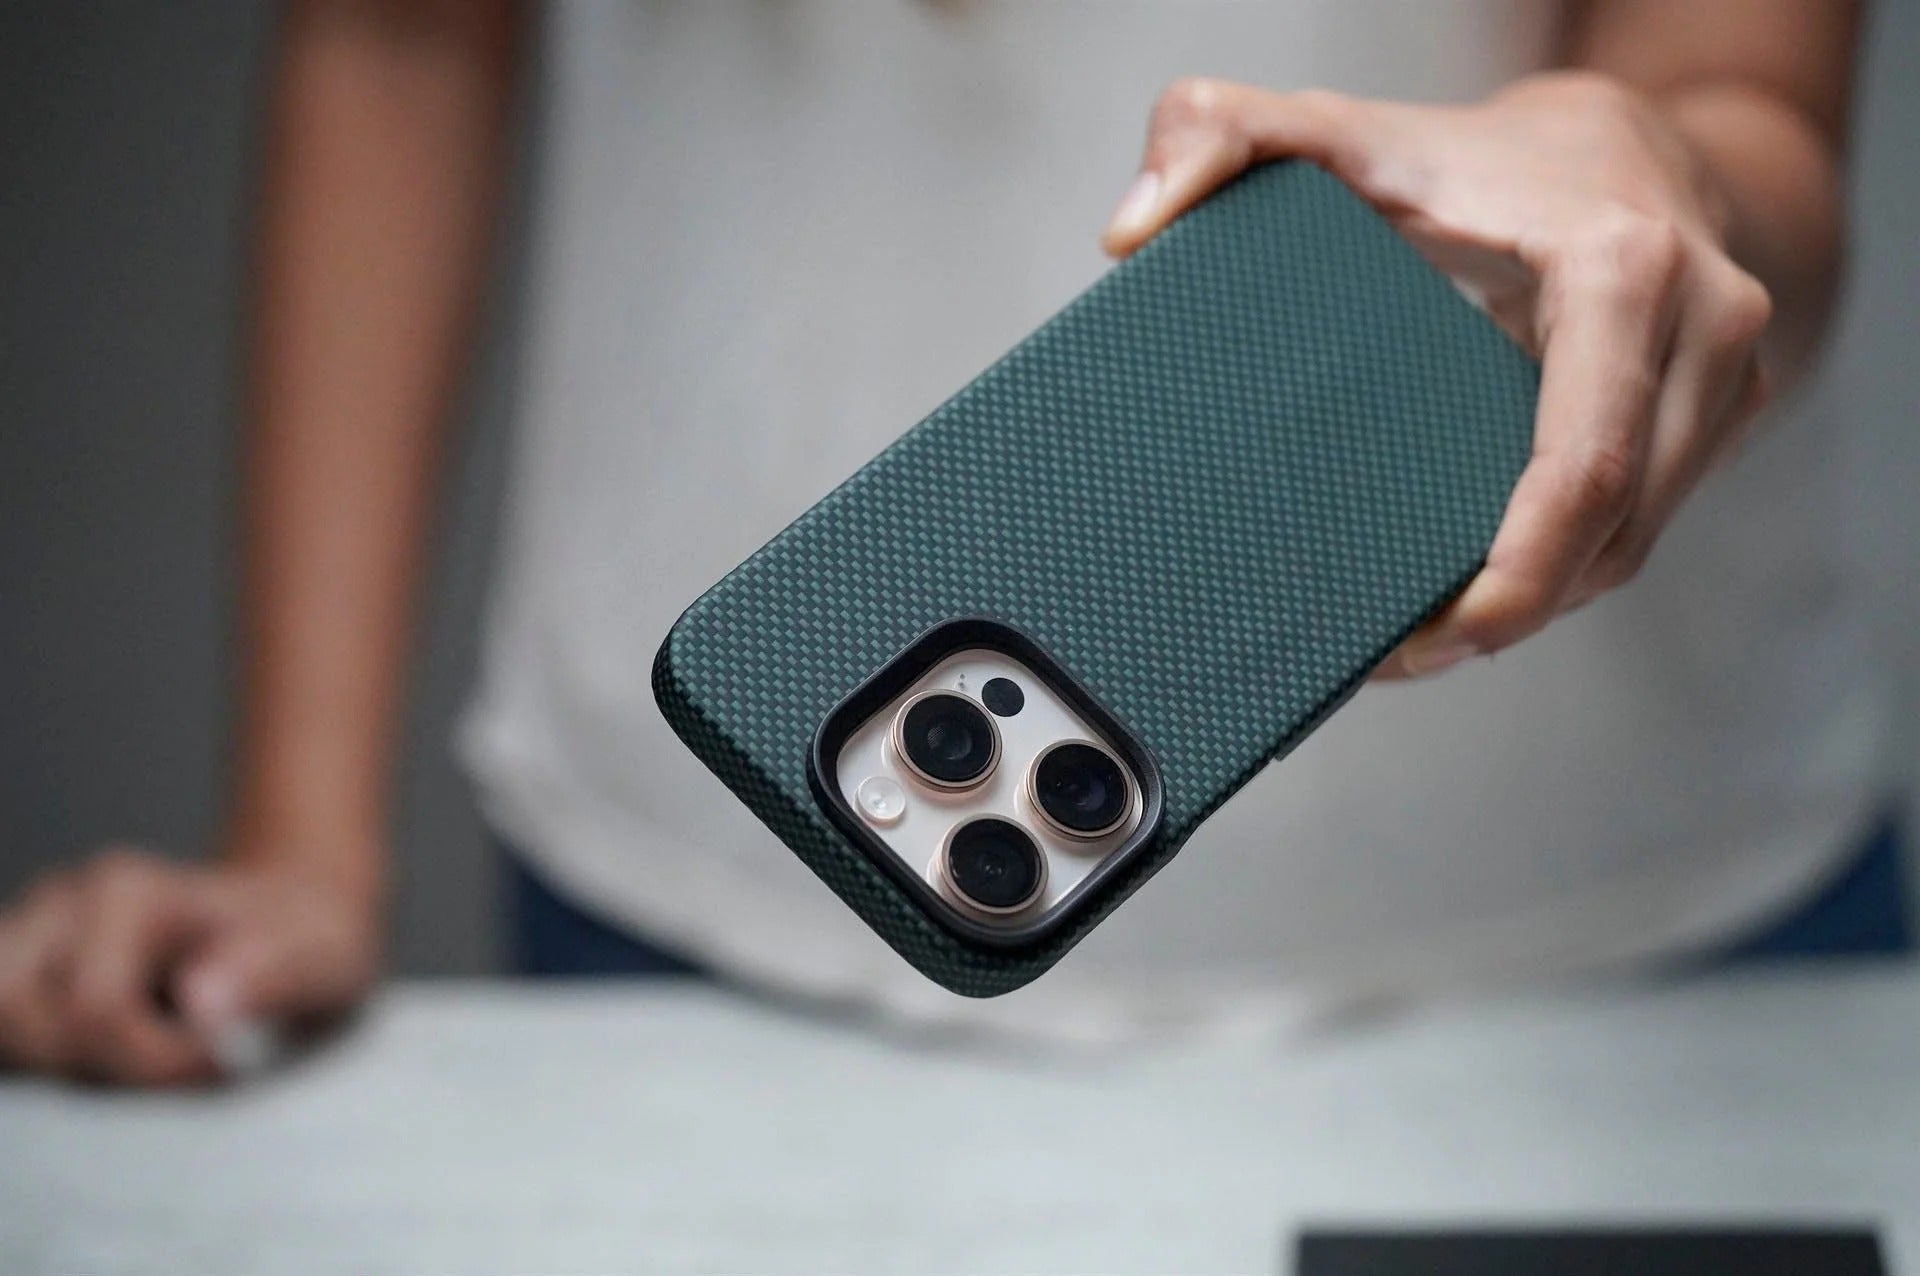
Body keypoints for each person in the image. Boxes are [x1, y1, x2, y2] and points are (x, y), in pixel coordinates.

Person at [0, 0, 1898, 1082]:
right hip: (727, 872)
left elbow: (1746, 98)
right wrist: (301, 841)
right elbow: (403, 33)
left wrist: (1668, 177)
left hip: (1617, 933)